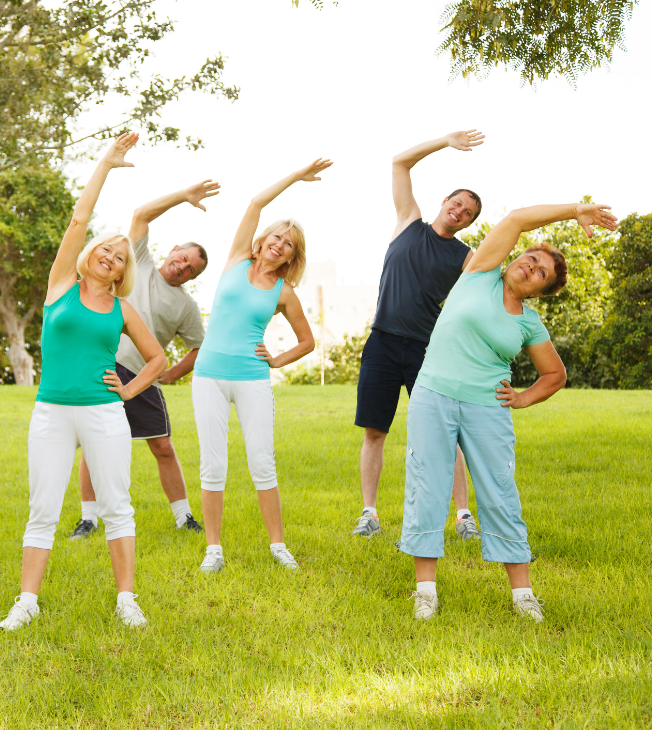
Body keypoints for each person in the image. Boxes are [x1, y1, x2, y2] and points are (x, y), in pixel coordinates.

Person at [401, 201, 616, 622]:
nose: (531, 268)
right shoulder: (478, 274)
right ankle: (425, 591)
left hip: (487, 407)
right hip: (433, 394)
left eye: (541, 273)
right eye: (530, 259)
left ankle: (523, 596)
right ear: (515, 258)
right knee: (427, 484)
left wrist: (522, 397)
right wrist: (575, 211)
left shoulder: (529, 323)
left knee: (500, 492)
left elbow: (554, 375)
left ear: (541, 291)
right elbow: (516, 220)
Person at [0, 132, 167, 631]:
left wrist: (130, 390)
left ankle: (126, 599)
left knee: (117, 505)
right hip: (51, 412)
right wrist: (106, 165)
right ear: (90, 254)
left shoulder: (121, 308)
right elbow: (77, 218)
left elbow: (156, 359)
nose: (111, 257)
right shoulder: (60, 288)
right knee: (43, 506)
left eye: (120, 257)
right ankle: (26, 601)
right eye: (106, 250)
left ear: (120, 274)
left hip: (103, 412)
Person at [353, 130, 486, 540]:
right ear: (444, 202)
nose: (459, 212)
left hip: (429, 350)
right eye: (457, 203)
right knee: (375, 431)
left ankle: (464, 517)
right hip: (382, 343)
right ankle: (369, 514)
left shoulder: (466, 257)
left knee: (447, 432)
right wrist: (446, 141)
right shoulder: (409, 221)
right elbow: (399, 162)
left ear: (469, 223)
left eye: (468, 212)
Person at [192, 159, 324, 574]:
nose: (279, 244)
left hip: (252, 378)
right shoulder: (235, 260)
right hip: (209, 375)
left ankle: (278, 545)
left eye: (289, 244)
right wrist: (297, 177)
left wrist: (278, 359)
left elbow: (308, 340)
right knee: (213, 463)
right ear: (264, 238)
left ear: (291, 256)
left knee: (261, 461)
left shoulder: (284, 292)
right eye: (277, 237)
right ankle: (213, 549)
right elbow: (255, 202)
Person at [70, 179, 217, 540]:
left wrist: (171, 375)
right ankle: (89, 519)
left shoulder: (186, 306)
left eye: (191, 269)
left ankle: (184, 517)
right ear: (172, 250)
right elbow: (141, 214)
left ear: (193, 277)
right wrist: (183, 196)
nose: (182, 267)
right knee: (93, 443)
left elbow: (199, 347)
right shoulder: (139, 262)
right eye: (182, 258)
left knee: (163, 445)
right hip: (104, 367)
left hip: (142, 376)